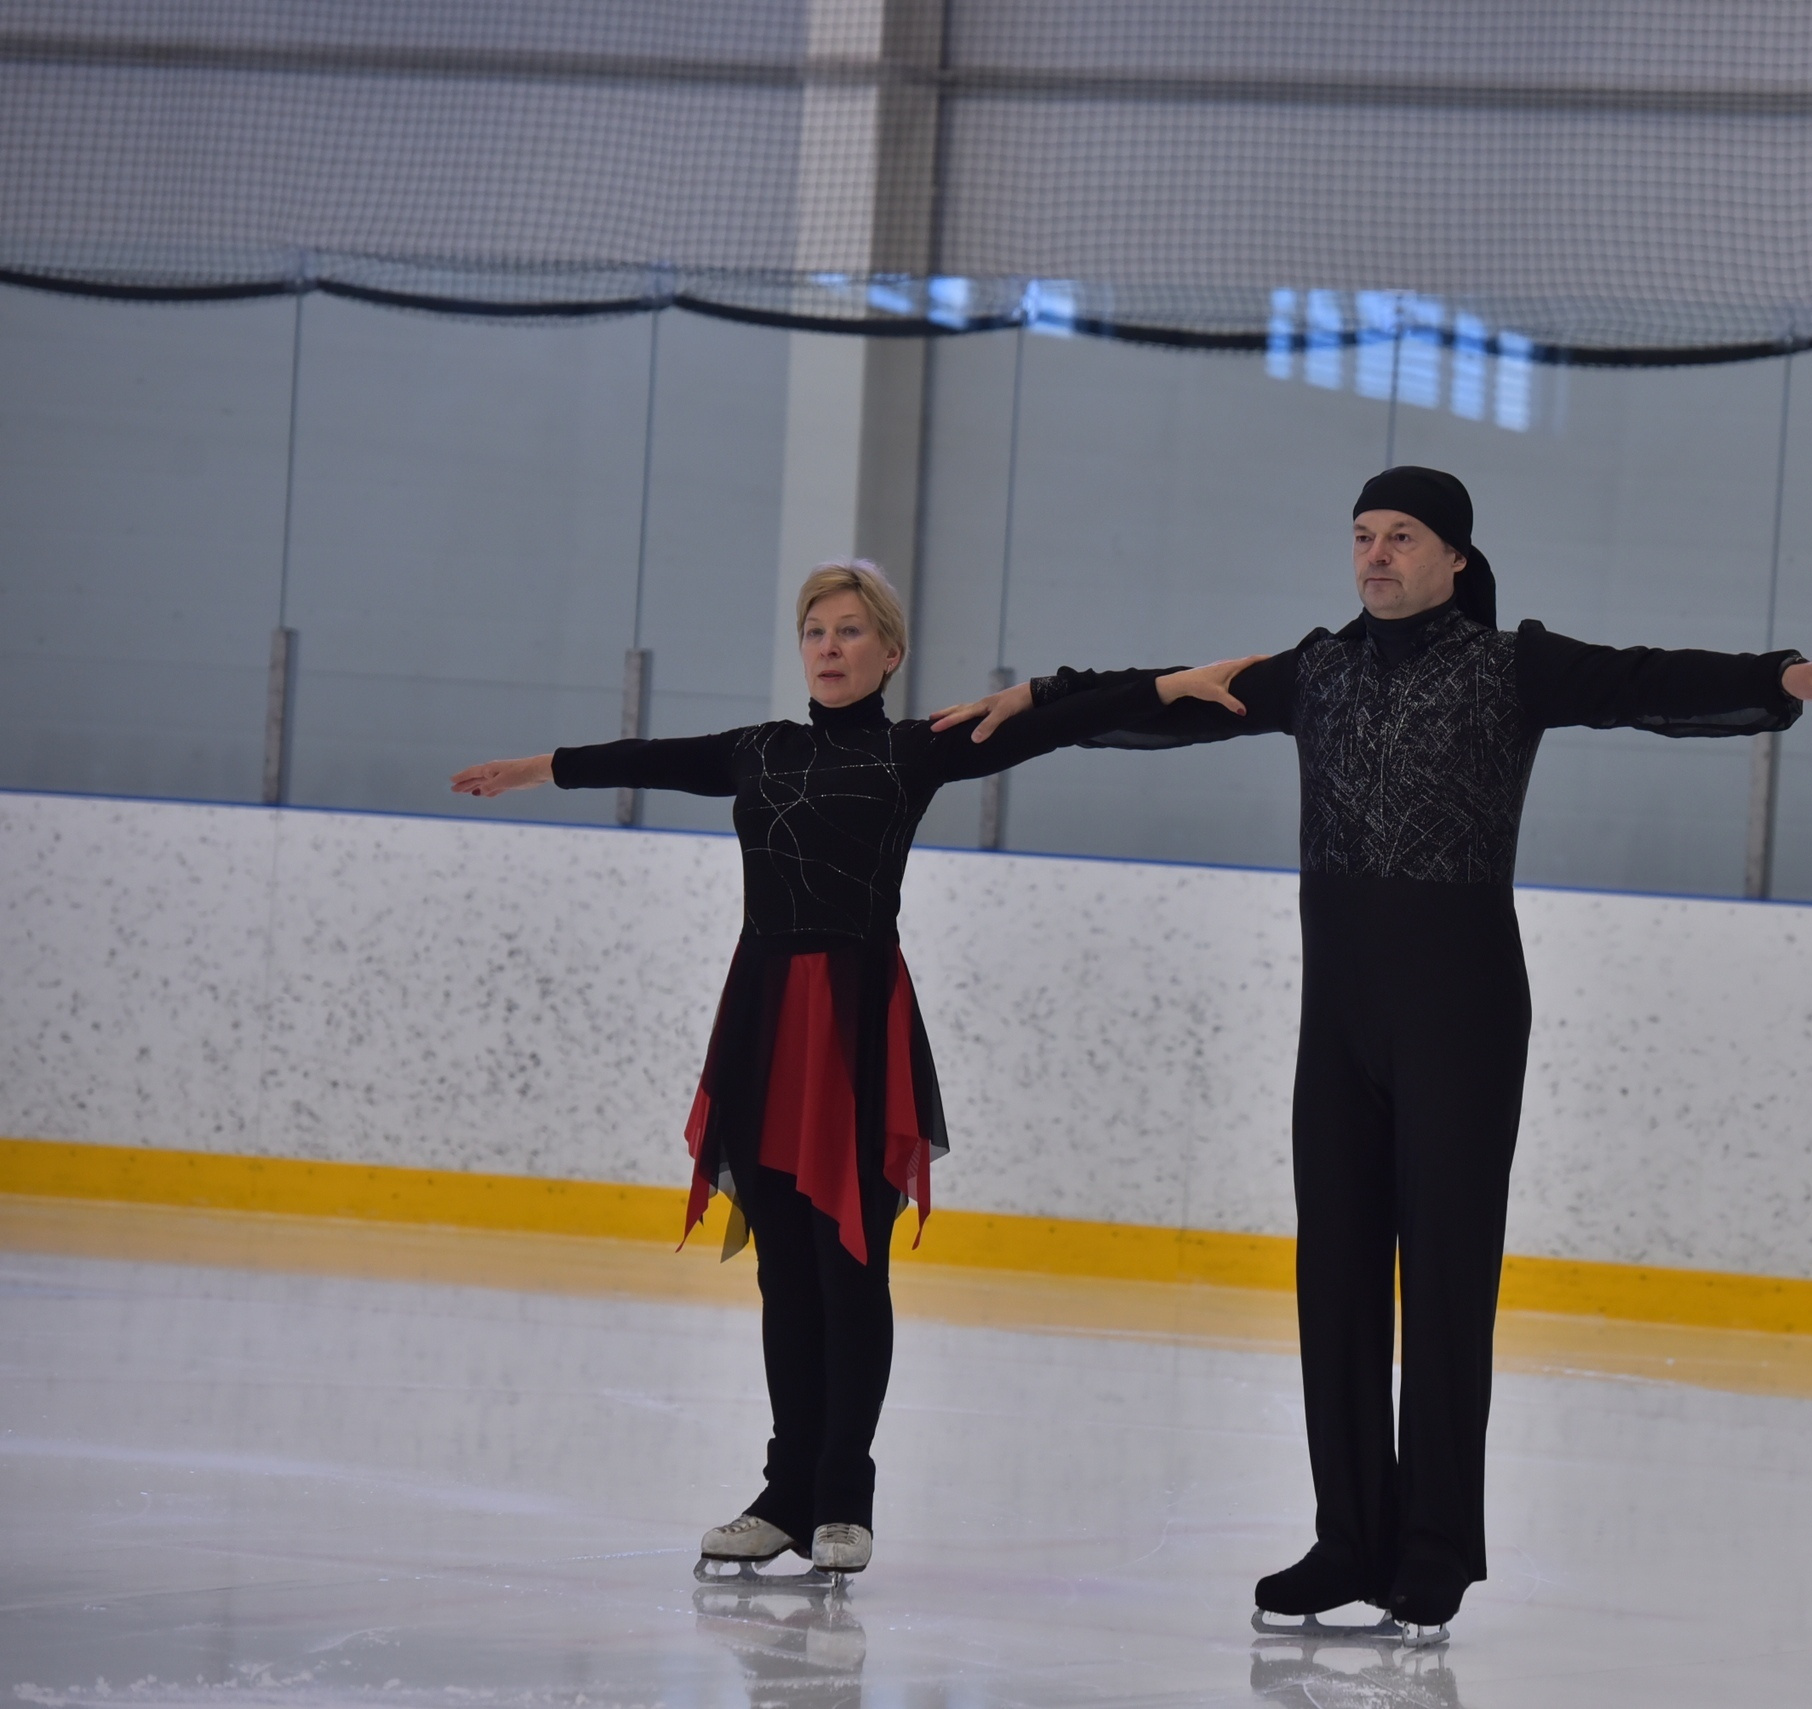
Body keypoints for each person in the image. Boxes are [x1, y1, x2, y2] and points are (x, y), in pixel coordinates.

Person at [932, 469, 1812, 1634]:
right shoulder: (1315, 668)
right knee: (1333, 1270)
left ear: (1453, 556)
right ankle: (1347, 1538)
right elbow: (1173, 697)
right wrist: (1039, 696)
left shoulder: (1513, 664)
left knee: (1446, 1275)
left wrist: (1776, 680)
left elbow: (1642, 681)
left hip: (1462, 1005)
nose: (1375, 553)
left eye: (1401, 536)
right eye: (1361, 534)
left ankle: (1435, 1543)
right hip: (1339, 1009)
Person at [450, 562, 1257, 1581]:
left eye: (849, 631)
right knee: (785, 1271)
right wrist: (534, 768)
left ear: (890, 652)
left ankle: (842, 1496)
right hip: (761, 1019)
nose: (828, 647)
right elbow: (644, 755)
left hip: (858, 1025)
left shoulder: (909, 751)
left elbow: (1054, 724)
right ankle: (784, 1494)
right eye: (814, 631)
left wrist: (1169, 687)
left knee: (850, 1263)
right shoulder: (758, 752)